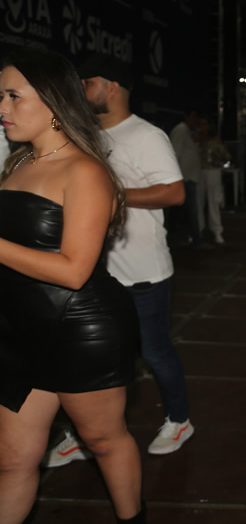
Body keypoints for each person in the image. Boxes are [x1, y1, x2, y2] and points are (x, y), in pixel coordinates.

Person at [0, 49, 145, 523]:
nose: (2, 108)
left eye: (13, 96)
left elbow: (73, 270)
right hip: (20, 330)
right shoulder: (18, 163)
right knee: (12, 460)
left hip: (80, 329)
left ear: (52, 101)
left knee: (103, 441)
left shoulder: (84, 170)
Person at [41, 53, 194, 468]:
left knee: (154, 351)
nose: (79, 90)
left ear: (112, 87)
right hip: (92, 271)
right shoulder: (82, 135)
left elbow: (175, 192)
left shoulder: (146, 135)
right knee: (91, 358)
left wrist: (111, 196)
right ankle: (84, 434)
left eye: (87, 82)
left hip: (143, 272)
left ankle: (179, 420)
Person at [170, 106, 206, 247]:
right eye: (193, 116)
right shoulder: (180, 131)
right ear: (186, 116)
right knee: (189, 211)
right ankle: (195, 239)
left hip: (188, 177)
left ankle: (182, 238)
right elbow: (175, 153)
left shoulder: (187, 132)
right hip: (184, 178)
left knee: (180, 211)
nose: (195, 120)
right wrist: (176, 177)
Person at [196, 114, 230, 244]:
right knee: (198, 202)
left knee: (213, 202)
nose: (202, 127)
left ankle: (217, 231)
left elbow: (226, 157)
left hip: (212, 171)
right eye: (200, 124)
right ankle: (197, 230)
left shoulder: (216, 140)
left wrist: (218, 158)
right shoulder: (196, 138)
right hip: (198, 171)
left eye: (204, 124)